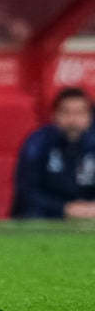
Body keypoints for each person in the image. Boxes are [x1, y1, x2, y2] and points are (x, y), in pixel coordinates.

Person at [13, 88, 95, 219]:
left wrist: (90, 208)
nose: (73, 120)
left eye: (80, 113)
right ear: (54, 115)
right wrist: (64, 209)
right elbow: (27, 193)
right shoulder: (37, 144)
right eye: (66, 112)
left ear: (90, 117)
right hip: (45, 218)